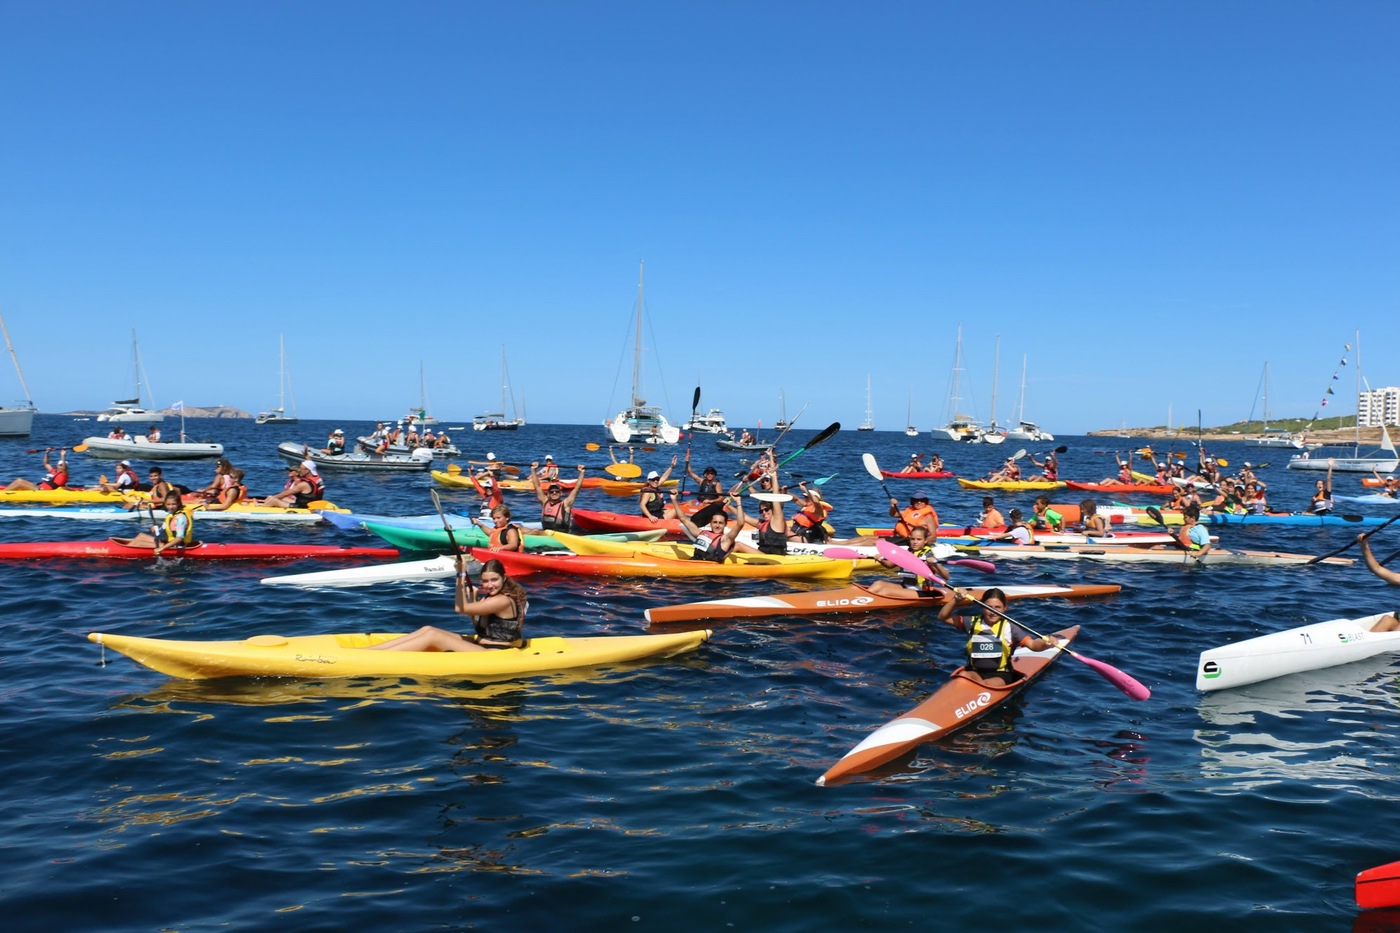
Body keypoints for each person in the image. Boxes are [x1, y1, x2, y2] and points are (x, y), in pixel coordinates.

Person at [371, 556, 529, 651]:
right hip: (481, 644)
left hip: (495, 652)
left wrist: (460, 574)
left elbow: (460, 608)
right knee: (428, 629)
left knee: (433, 636)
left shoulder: (501, 600)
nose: (489, 585)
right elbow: (480, 626)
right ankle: (370, 652)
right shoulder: (489, 598)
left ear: (504, 578)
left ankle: (378, 656)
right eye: (485, 581)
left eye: (494, 580)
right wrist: (473, 599)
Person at [936, 587, 1062, 685]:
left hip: (1000, 676)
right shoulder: (971, 622)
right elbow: (943, 617)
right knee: (962, 677)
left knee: (984, 684)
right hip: (974, 672)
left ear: (1004, 608)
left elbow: (1033, 645)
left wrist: (1046, 643)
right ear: (981, 607)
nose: (993, 612)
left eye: (998, 607)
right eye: (988, 607)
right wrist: (956, 600)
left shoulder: (1011, 627)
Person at [868, 526, 950, 598]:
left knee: (885, 592)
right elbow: (890, 565)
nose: (915, 542)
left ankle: (867, 602)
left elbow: (946, 577)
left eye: (919, 539)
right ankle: (862, 600)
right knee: (878, 584)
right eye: (912, 539)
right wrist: (880, 560)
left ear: (925, 541)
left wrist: (935, 563)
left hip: (922, 591)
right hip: (905, 586)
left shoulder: (928, 556)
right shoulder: (908, 552)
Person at [115, 489, 197, 556]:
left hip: (176, 547)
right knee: (141, 536)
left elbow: (179, 538)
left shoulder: (180, 518)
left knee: (139, 542)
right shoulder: (171, 516)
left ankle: (123, 552)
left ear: (178, 504)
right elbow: (162, 529)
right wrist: (156, 529)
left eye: (173, 504)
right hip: (168, 544)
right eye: (168, 504)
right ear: (165, 504)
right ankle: (125, 550)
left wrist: (162, 548)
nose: (171, 507)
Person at [672, 492, 740, 561]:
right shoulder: (700, 533)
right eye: (714, 522)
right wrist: (674, 499)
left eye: (720, 523)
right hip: (694, 563)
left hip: (709, 568)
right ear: (710, 523)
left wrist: (738, 502)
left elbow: (740, 524)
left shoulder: (726, 539)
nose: (717, 525)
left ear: (725, 524)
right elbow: (684, 519)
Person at [531, 462, 584, 532]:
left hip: (560, 535)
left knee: (535, 531)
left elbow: (577, 488)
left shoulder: (565, 504)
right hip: (546, 533)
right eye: (552, 491)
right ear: (548, 494)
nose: (554, 493)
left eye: (557, 491)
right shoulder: (544, 502)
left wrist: (582, 472)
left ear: (561, 493)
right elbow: (537, 486)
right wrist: (533, 469)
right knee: (521, 529)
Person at [638, 456, 679, 522]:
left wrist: (671, 466)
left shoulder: (655, 486)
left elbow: (664, 477)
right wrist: (650, 516)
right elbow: (642, 505)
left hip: (658, 513)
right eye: (653, 479)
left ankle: (684, 521)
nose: (656, 481)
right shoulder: (648, 492)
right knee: (676, 510)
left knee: (668, 509)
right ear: (648, 481)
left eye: (657, 479)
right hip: (655, 518)